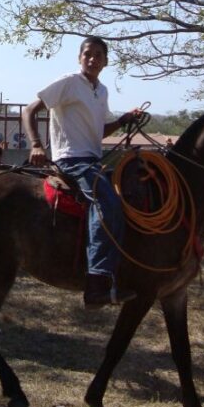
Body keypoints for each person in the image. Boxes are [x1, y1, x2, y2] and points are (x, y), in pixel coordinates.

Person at [23, 36, 141, 309]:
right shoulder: (69, 82)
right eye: (87, 54)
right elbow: (29, 110)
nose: (92, 59)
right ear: (80, 58)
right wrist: (36, 144)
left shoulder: (102, 91)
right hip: (71, 160)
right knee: (106, 203)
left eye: (98, 55)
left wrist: (123, 120)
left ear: (105, 61)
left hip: (92, 160)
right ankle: (96, 283)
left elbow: (99, 132)